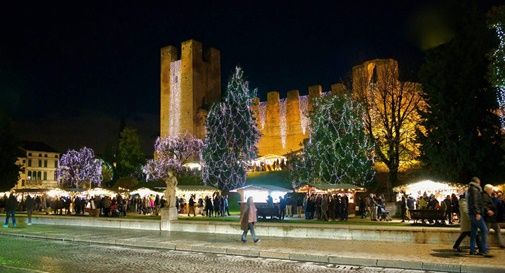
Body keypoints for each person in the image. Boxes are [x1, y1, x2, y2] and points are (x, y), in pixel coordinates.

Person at [467, 177, 489, 255]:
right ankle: (484, 250)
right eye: (479, 182)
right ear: (477, 182)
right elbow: (475, 202)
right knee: (484, 230)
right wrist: (477, 213)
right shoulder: (475, 190)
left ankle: (472, 250)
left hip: (472, 214)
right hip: (475, 214)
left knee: (473, 232)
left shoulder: (471, 189)